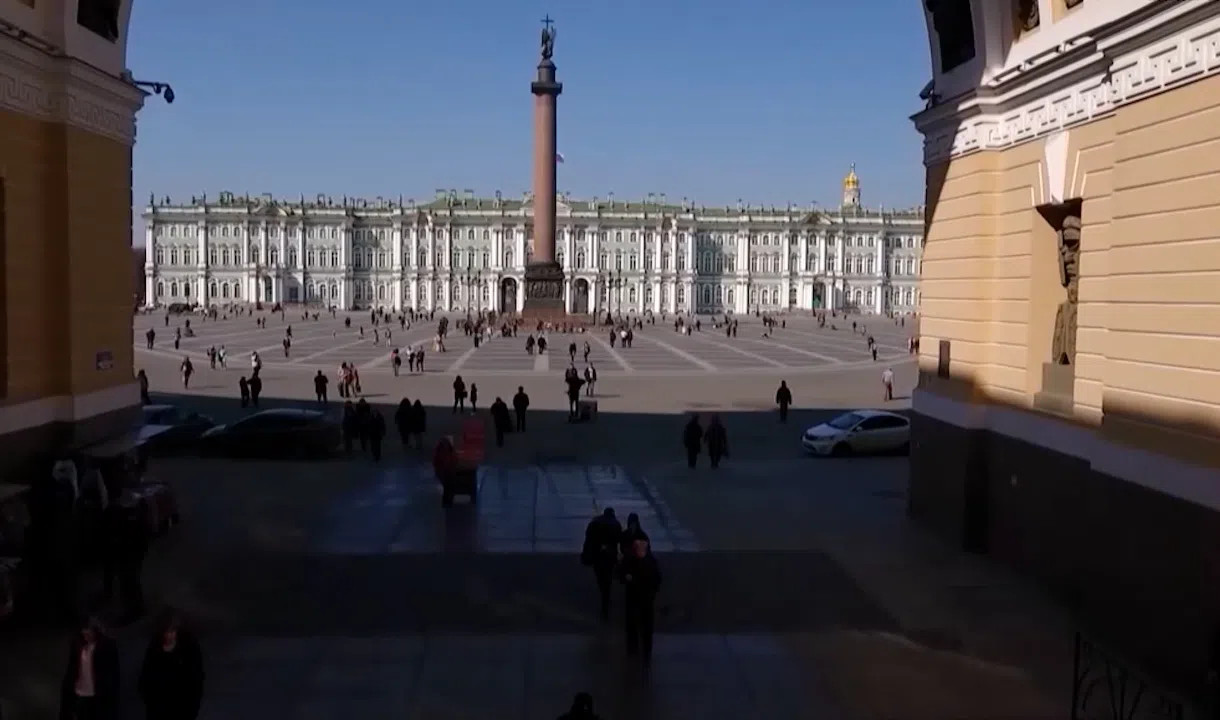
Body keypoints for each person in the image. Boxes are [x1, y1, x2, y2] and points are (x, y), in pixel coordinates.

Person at [138, 611, 204, 720]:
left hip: (181, 704)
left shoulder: (189, 647)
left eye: (171, 631)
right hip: (159, 705)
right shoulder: (155, 646)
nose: (168, 636)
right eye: (165, 632)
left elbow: (196, 679)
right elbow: (147, 673)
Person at [59, 619, 120, 720]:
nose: (85, 634)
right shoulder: (78, 645)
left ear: (95, 631)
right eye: (83, 631)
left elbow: (112, 673)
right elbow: (72, 669)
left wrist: (109, 692)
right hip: (79, 694)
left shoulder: (107, 645)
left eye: (88, 631)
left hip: (98, 696)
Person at [620, 538, 661, 666]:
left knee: (636, 624)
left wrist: (627, 578)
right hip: (644, 598)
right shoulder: (650, 561)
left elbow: (657, 579)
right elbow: (657, 579)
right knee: (643, 625)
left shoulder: (631, 561)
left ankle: (636, 650)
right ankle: (643, 650)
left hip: (638, 598)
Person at [581, 508, 622, 622]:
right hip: (609, 556)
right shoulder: (615, 524)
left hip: (597, 555)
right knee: (607, 578)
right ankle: (606, 599)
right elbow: (619, 539)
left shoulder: (595, 523)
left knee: (600, 576)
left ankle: (604, 597)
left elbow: (588, 538)